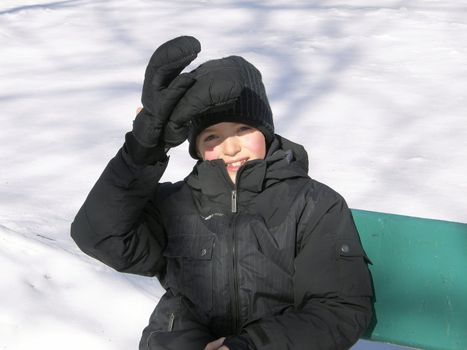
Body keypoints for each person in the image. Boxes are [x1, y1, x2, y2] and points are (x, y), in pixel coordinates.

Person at [71, 36, 373, 350]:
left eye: (243, 130)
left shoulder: (312, 204)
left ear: (266, 132)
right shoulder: (177, 203)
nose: (230, 148)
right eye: (212, 136)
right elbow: (100, 236)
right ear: (197, 146)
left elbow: (337, 308)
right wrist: (143, 150)